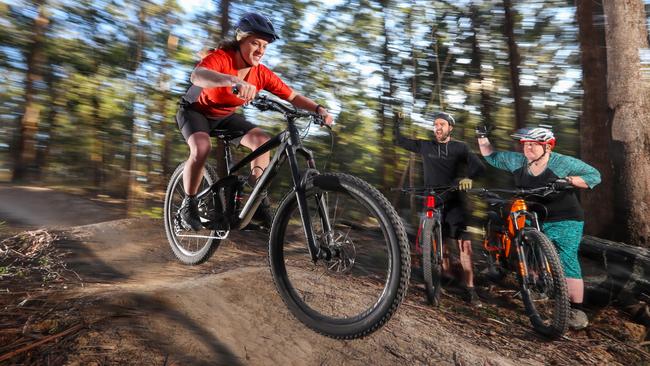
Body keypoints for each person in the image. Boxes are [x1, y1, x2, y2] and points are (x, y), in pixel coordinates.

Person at [176, 12, 333, 231]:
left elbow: (293, 97)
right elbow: (198, 76)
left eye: (265, 46)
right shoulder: (222, 57)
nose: (260, 50)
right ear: (240, 40)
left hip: (225, 116)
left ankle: (257, 198)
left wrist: (318, 109)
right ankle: (188, 204)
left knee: (262, 140)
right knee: (202, 147)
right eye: (255, 43)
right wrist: (232, 80)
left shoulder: (261, 74)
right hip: (195, 112)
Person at [476, 125, 601, 330]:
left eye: (534, 145)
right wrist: (481, 136)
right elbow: (491, 156)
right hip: (533, 216)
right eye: (525, 144)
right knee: (529, 250)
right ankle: (537, 288)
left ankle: (577, 310)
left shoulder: (561, 162)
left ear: (548, 147)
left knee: (567, 259)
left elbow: (593, 175)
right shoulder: (518, 161)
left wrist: (568, 180)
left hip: (565, 218)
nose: (528, 149)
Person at [395, 112, 486, 306]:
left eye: (442, 124)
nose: (437, 127)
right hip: (432, 200)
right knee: (439, 245)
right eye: (435, 124)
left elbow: (478, 166)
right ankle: (440, 280)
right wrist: (399, 122)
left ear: (450, 128)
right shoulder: (425, 145)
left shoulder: (460, 147)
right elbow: (400, 141)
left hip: (456, 202)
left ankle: (470, 290)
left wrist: (468, 177)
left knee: (465, 247)